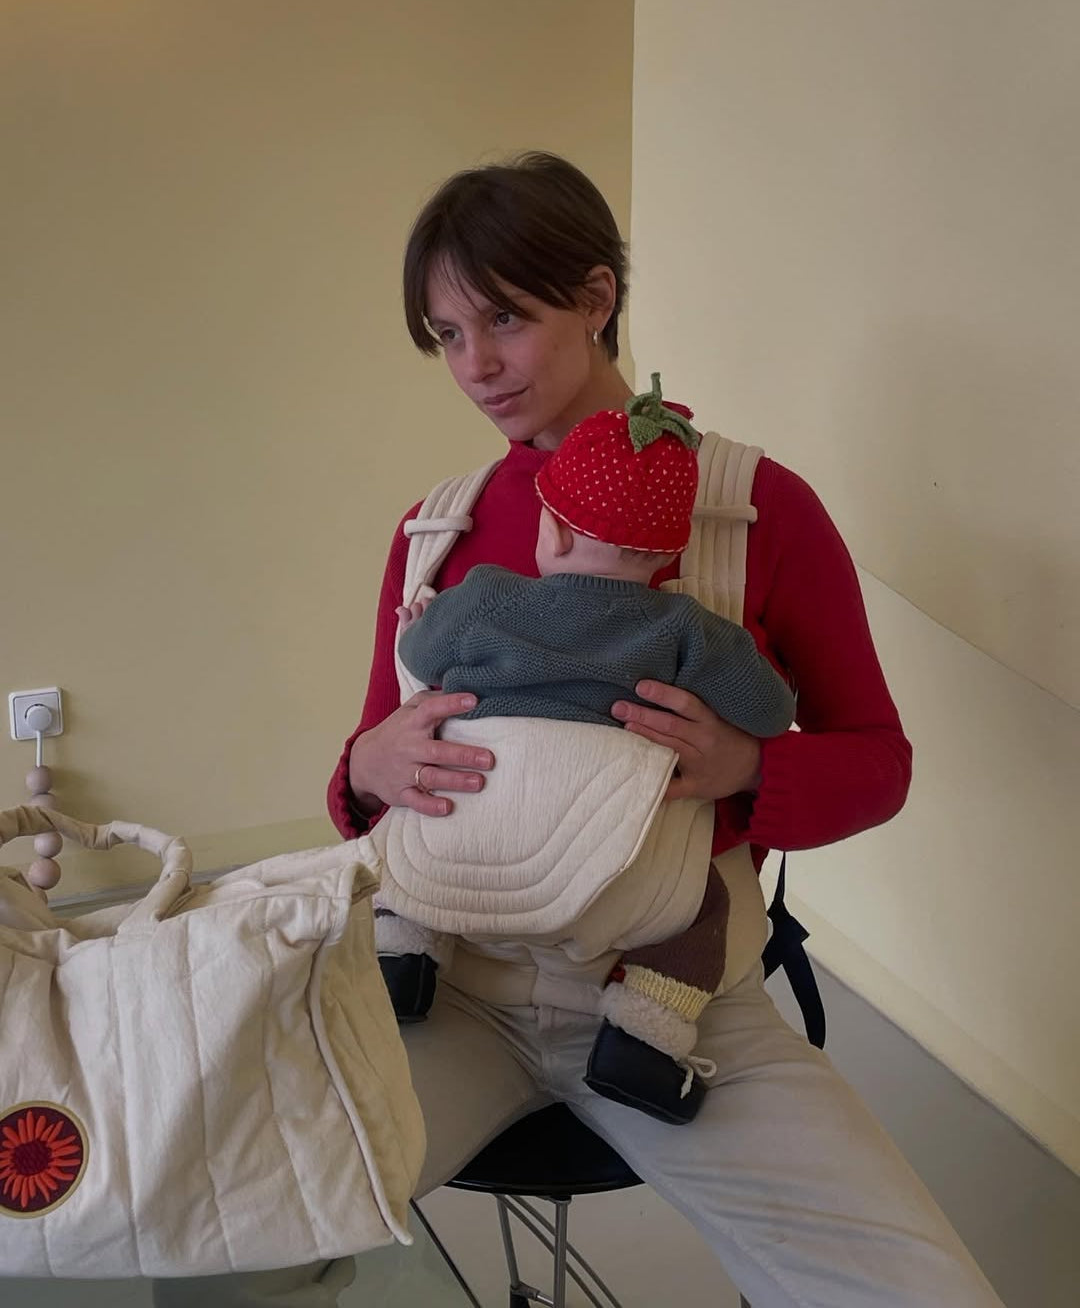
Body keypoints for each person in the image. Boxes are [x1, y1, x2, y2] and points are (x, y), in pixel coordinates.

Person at [154, 152, 1004, 1307]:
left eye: (505, 317)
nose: (476, 366)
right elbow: (366, 769)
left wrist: (751, 768)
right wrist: (365, 764)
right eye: (445, 334)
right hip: (452, 991)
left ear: (598, 298)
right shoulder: (436, 532)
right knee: (211, 1237)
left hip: (680, 997)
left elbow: (878, 759)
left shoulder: (758, 509)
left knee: (924, 1292)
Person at [375, 375, 796, 1125]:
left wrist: (419, 620)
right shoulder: (686, 629)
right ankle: (643, 1035)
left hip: (465, 839)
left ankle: (404, 952)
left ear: (555, 531)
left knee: (407, 840)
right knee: (705, 910)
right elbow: (770, 709)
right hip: (621, 882)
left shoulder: (487, 595)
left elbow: (422, 652)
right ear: (669, 553)